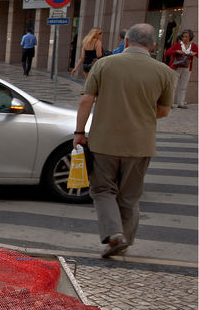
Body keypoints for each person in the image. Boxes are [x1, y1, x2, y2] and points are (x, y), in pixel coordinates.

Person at [72, 23, 174, 259]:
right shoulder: (164, 72)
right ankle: (124, 241)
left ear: (126, 41)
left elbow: (86, 101)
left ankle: (114, 234)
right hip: (140, 144)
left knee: (102, 190)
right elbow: (164, 111)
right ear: (153, 45)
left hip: (104, 141)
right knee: (129, 195)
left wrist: (79, 132)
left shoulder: (104, 64)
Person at [164, 29, 196, 109]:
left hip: (187, 68)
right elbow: (167, 53)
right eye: (183, 36)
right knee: (173, 86)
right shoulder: (177, 44)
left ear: (190, 37)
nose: (184, 38)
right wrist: (176, 51)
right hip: (176, 67)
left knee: (183, 86)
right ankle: (170, 103)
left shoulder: (193, 46)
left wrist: (195, 53)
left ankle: (180, 102)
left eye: (186, 37)